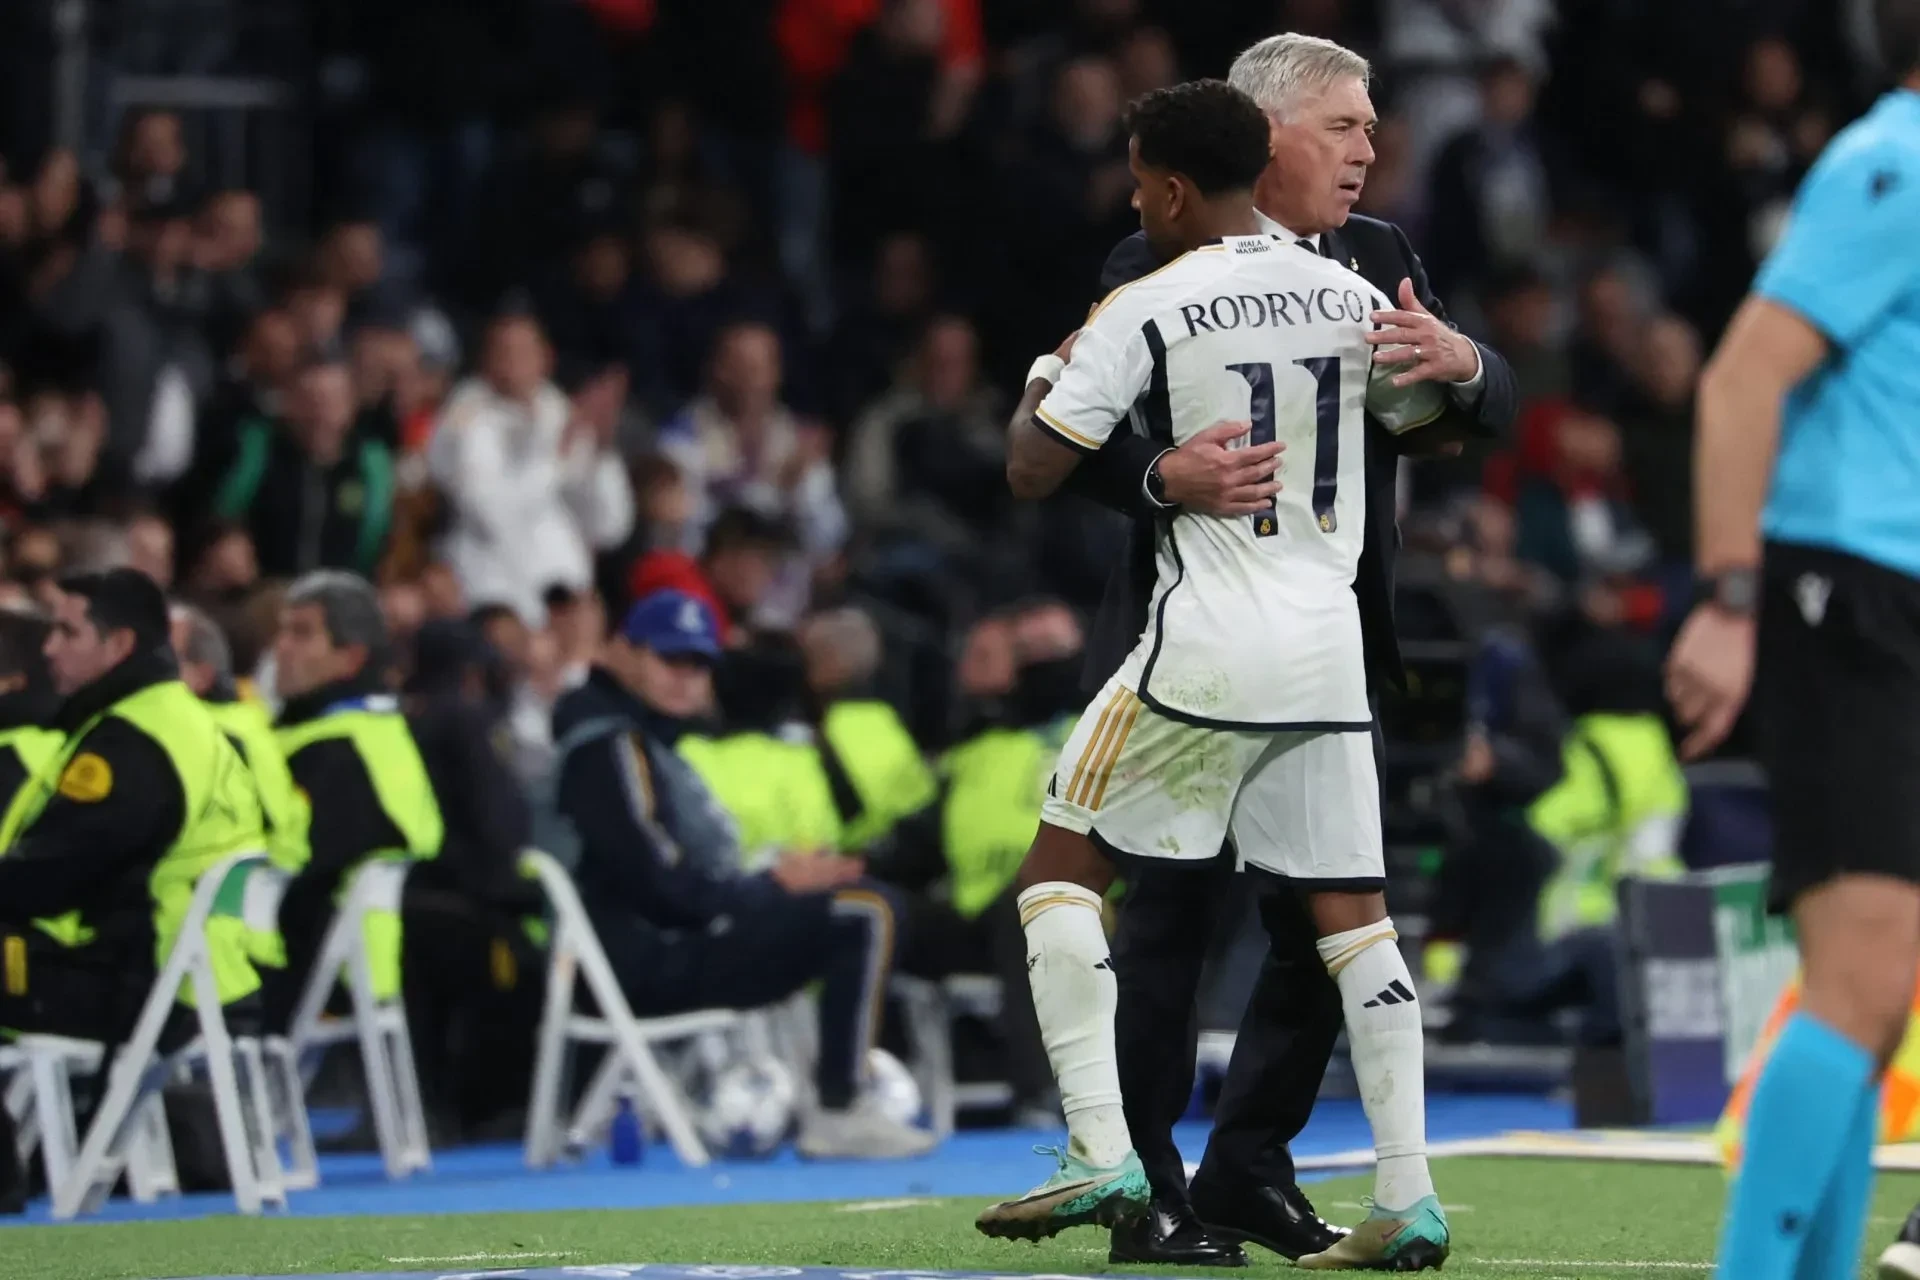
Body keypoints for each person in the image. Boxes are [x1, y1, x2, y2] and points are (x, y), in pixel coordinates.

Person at [973, 79, 1450, 1271]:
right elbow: (1420, 420)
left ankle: (1102, 1148)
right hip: (1326, 651)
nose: (1135, 203)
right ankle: (1407, 1195)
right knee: (1355, 922)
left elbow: (1034, 466)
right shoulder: (1353, 293)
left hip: (1206, 651)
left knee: (1057, 875)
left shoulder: (1152, 297)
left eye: (1141, 184)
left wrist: (1042, 371)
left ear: (1177, 189)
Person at [1069, 34, 1516, 1268]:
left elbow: (1470, 405)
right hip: (1192, 648)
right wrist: (1161, 473)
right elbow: (1067, 433)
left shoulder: (1379, 255)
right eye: (1345, 125)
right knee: (1169, 919)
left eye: (1371, 125)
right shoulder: (1156, 252)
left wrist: (1466, 365)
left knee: (1326, 920)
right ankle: (1146, 1187)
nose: (1371, 147)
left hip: (1326, 641)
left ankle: (1247, 1166)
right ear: (1268, 139)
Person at [1663, 6, 1920, 1277]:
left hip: (1892, 598)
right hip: (1847, 597)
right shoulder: (1894, 163)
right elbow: (1742, 378)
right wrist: (1728, 601)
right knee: (1862, 982)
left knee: (1872, 996)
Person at [549, 589, 937, 1159]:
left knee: (858, 901)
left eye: (699, 665)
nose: (686, 679)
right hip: (649, 957)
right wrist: (769, 887)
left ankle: (840, 1103)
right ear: (622, 653)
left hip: (667, 940)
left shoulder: (636, 736)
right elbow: (660, 886)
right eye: (670, 660)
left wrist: (774, 879)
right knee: (867, 911)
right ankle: (840, 1108)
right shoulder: (608, 745)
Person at [0, 570, 265, 1041]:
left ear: (119, 644)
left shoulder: (128, 743)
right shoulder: (179, 719)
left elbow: (51, 879)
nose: (49, 649)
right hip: (196, 976)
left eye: (68, 633)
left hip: (126, 981)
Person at [172, 602, 305, 875]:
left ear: (202, 675)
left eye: (162, 658)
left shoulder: (211, 738)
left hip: (189, 899)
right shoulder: (249, 724)